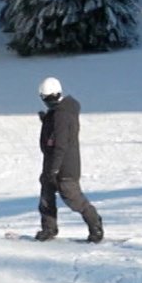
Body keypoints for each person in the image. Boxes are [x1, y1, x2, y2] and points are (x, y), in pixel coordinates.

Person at [35, 77, 105, 243]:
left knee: (72, 197)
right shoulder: (59, 111)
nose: (48, 102)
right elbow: (56, 131)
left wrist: (54, 169)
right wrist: (46, 120)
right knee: (46, 193)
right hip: (53, 161)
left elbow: (61, 144)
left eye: (49, 99)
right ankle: (49, 228)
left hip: (65, 165)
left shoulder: (62, 114)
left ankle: (95, 225)